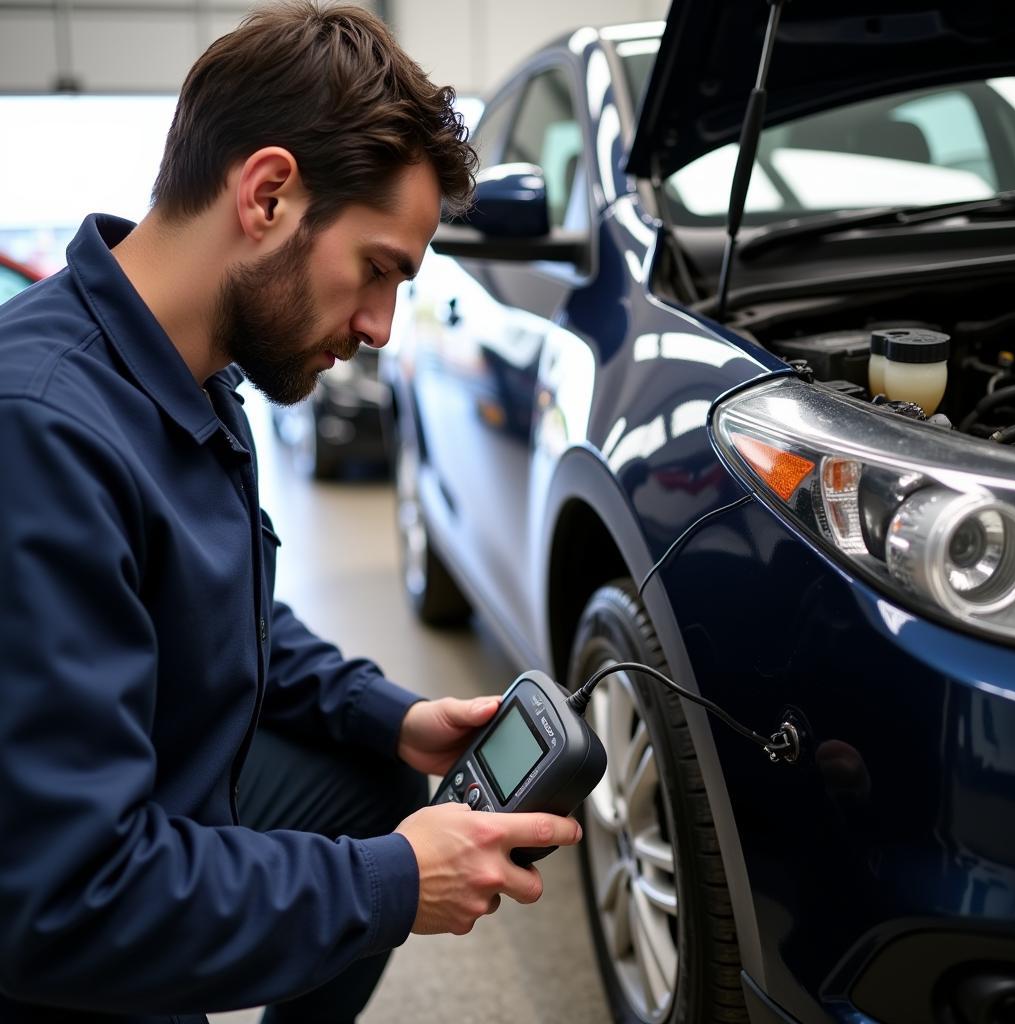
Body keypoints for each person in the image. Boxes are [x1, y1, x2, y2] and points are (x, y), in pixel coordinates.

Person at [0, 4, 582, 1023]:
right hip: (65, 926)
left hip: (156, 798)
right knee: (381, 863)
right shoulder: (40, 435)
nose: (379, 326)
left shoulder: (191, 369)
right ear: (268, 194)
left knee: (371, 784)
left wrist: (388, 713)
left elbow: (225, 606)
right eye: (377, 269)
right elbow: (63, 898)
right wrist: (393, 886)